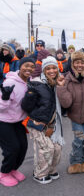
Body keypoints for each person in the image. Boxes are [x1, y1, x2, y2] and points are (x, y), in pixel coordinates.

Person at [21, 56, 64, 184]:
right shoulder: (36, 84)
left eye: (54, 68)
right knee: (47, 148)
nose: (52, 71)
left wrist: (61, 87)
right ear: (44, 70)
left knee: (57, 147)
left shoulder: (56, 83)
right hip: (37, 123)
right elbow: (26, 106)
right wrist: (30, 95)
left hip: (51, 123)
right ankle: (39, 174)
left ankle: (50, 170)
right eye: (48, 68)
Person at [57, 51, 84, 174]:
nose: (79, 65)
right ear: (72, 63)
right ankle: (76, 162)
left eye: (82, 62)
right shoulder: (67, 79)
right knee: (78, 140)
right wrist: (61, 87)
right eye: (77, 62)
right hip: (75, 117)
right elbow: (66, 103)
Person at [0, 57, 35, 187]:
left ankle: (13, 169)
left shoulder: (29, 82)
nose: (29, 69)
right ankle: (4, 173)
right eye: (26, 65)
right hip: (3, 121)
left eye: (32, 66)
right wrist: (5, 98)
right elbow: (1, 107)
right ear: (20, 66)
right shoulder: (9, 82)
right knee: (12, 148)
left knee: (23, 147)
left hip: (18, 121)